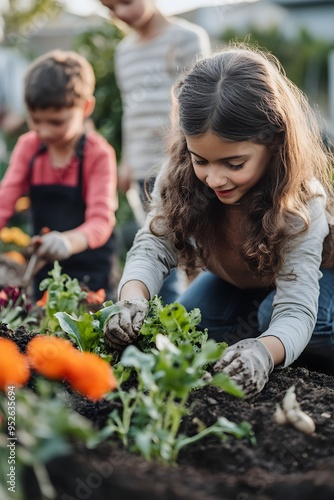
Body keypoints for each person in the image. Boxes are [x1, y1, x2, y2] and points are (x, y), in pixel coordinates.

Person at [103, 44, 334, 398]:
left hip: (315, 288)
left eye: (234, 164)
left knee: (278, 317)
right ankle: (261, 331)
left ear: (273, 142)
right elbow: (152, 246)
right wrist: (132, 299)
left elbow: (296, 305)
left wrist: (264, 352)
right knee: (184, 330)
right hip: (240, 283)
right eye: (202, 160)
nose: (214, 179)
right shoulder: (181, 175)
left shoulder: (300, 201)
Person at [100, 0, 211, 303]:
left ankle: (190, 323)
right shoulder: (124, 51)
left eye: (125, 2)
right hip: (141, 168)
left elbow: (201, 106)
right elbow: (130, 109)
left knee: (192, 255)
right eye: (110, 8)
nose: (120, 13)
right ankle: (162, 330)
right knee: (156, 253)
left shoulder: (186, 39)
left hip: (181, 167)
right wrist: (126, 161)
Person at [0, 50, 118, 298]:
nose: (43, 131)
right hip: (45, 268)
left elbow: (101, 221)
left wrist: (66, 242)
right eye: (35, 120)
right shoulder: (28, 147)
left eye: (56, 122)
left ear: (86, 107)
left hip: (91, 268)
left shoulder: (97, 154)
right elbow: (4, 201)